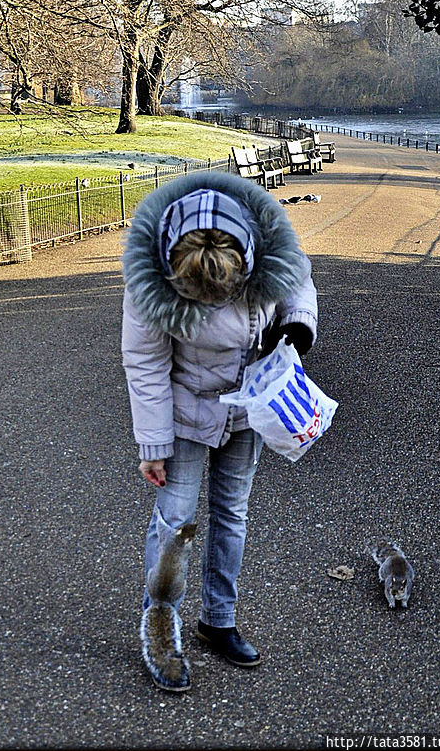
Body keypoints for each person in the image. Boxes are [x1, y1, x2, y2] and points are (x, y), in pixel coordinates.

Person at [121, 170, 318, 692]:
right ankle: (160, 628)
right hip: (185, 409)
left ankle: (218, 621)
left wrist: (296, 328)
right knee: (175, 522)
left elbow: (298, 280)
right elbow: (144, 363)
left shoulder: (272, 246)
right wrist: (154, 445)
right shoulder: (149, 284)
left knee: (232, 513)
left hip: (248, 407)